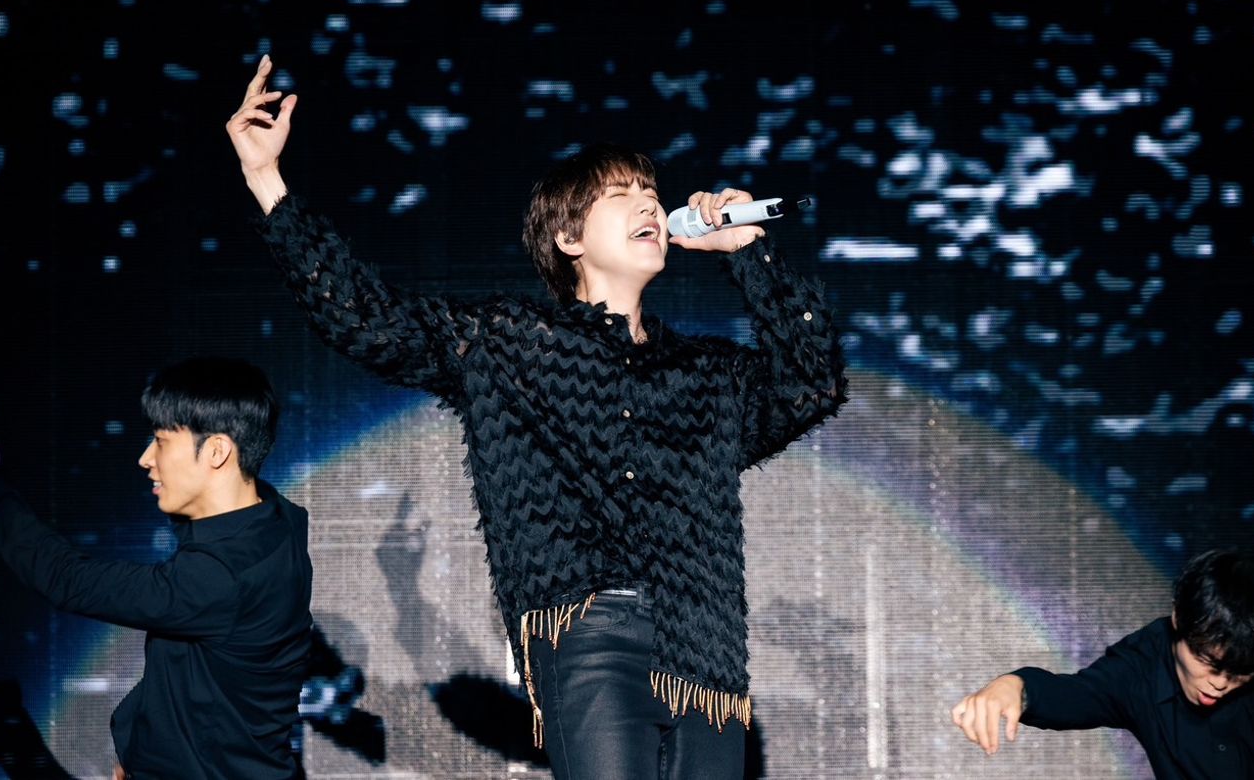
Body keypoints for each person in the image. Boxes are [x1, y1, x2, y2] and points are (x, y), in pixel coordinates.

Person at [227, 56, 846, 779]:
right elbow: (364, 318)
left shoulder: (708, 373)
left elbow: (811, 384)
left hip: (704, 654)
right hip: (590, 637)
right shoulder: (509, 345)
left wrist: (749, 255)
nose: (649, 206)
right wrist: (266, 179)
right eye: (621, 195)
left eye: (652, 194)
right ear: (569, 239)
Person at [0, 358, 314, 780]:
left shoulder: (218, 577)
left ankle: (12, 743)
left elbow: (68, 580)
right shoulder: (277, 521)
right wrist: (144, 750)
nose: (146, 458)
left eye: (161, 442)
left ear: (217, 451)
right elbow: (201, 675)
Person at [950, 548, 1254, 778]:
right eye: (1206, 661)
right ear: (1179, 619)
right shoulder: (1143, 664)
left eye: (1240, 672)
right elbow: (1077, 693)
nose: (1220, 683)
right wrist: (1015, 687)